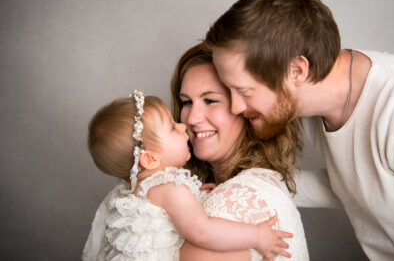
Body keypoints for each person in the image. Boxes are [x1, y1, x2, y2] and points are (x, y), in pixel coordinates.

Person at [203, 0, 394, 261]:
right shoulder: (312, 102)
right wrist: (244, 185)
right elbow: (352, 185)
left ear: (296, 69)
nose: (236, 107)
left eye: (244, 91)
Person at [82, 90, 293, 260]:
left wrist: (197, 195)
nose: (183, 125)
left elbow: (165, 218)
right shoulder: (170, 189)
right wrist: (257, 236)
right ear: (150, 160)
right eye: (173, 128)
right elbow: (203, 232)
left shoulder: (136, 190)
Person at [171, 43, 309, 261]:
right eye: (186, 102)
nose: (192, 118)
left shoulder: (235, 201)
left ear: (247, 109)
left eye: (210, 100)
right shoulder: (257, 183)